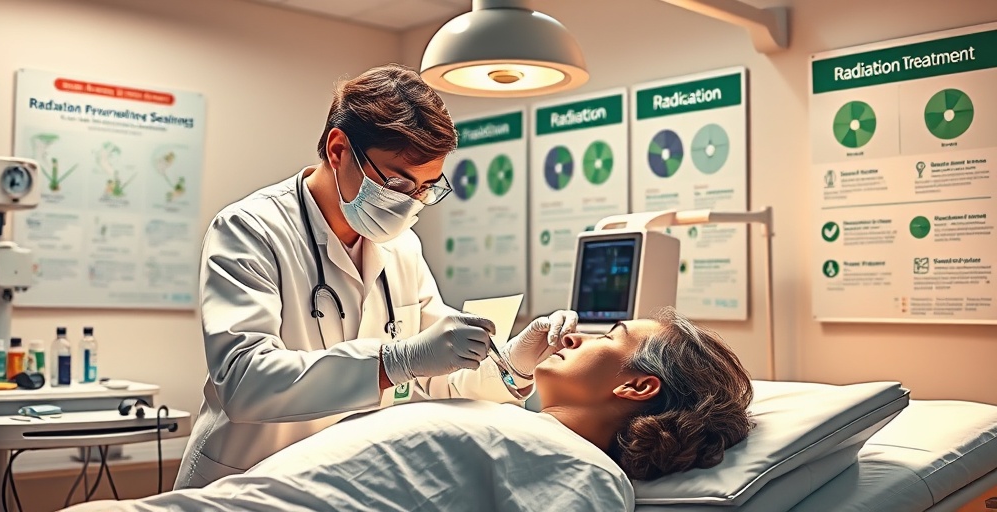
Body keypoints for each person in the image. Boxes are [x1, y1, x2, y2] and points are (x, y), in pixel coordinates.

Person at [176, 63, 577, 489]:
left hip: (340, 484)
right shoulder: (250, 229)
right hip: (244, 481)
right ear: (337, 150)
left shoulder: (401, 247)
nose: (411, 204)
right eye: (398, 183)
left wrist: (515, 359)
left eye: (427, 188)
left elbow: (438, 382)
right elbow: (245, 381)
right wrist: (393, 361)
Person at [65, 307, 754, 511]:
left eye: (613, 338)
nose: (581, 335)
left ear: (636, 389)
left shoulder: (584, 475)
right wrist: (513, 368)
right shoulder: (523, 429)